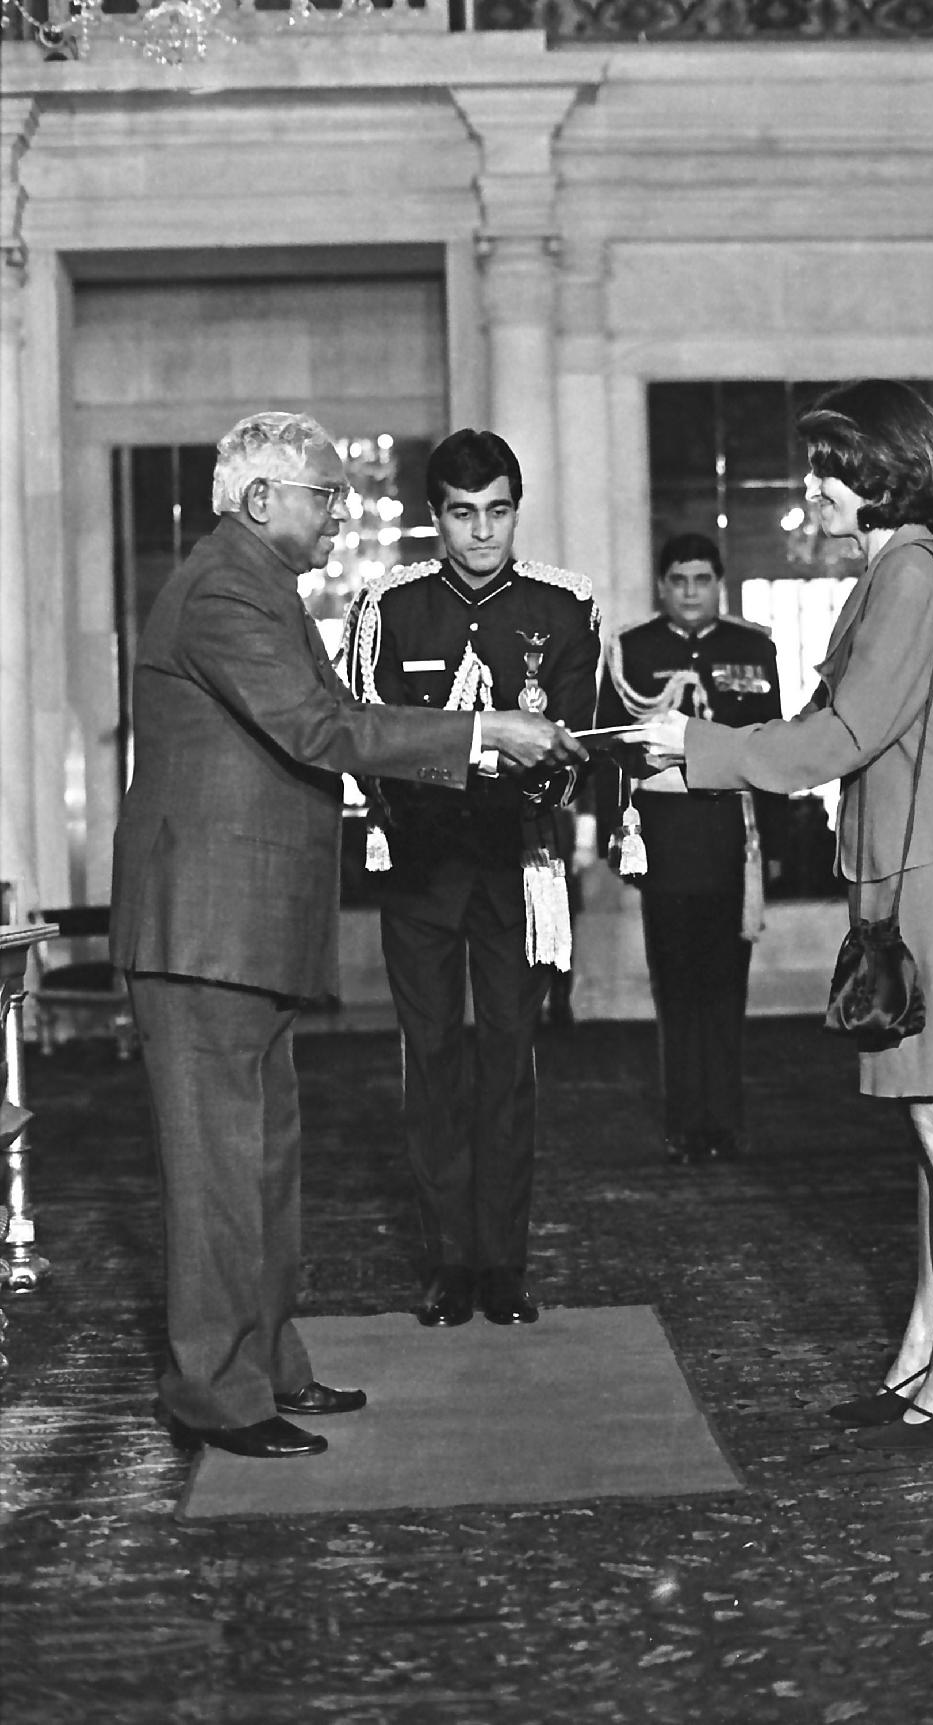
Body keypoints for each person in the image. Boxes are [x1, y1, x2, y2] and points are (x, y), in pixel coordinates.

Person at [110, 412, 584, 1461]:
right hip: (204, 931)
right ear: (260, 498)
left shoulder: (263, 588)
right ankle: (215, 1393)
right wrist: (483, 731)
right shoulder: (226, 591)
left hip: (242, 931)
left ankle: (269, 1366)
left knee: (263, 1165)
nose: (341, 512)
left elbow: (331, 723)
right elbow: (322, 729)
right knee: (219, 1176)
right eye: (324, 495)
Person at [636, 380, 933, 1449]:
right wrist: (678, 758)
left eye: (825, 469)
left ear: (880, 473)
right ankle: (924, 1358)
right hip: (910, 872)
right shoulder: (893, 573)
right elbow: (820, 723)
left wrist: (699, 749)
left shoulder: (909, 571)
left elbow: (844, 733)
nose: (809, 489)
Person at [343, 430, 600, 1330]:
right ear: (435, 517)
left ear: (516, 510)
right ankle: (448, 1261)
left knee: (508, 1061)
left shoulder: (563, 605)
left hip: (515, 863)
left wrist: (494, 766)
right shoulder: (390, 607)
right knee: (432, 1062)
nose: (482, 531)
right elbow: (366, 736)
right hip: (421, 866)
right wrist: (471, 760)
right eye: (463, 513)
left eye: (497, 511)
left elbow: (572, 746)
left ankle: (503, 1264)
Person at [594, 532, 785, 1165]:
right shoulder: (633, 649)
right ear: (662, 585)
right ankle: (684, 1124)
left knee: (727, 992)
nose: (691, 592)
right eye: (679, 580)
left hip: (732, 839)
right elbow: (608, 748)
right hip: (665, 843)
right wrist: (615, 837)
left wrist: (777, 844)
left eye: (702, 580)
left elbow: (774, 746)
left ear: (719, 583)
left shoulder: (752, 648)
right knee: (675, 992)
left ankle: (723, 1124)